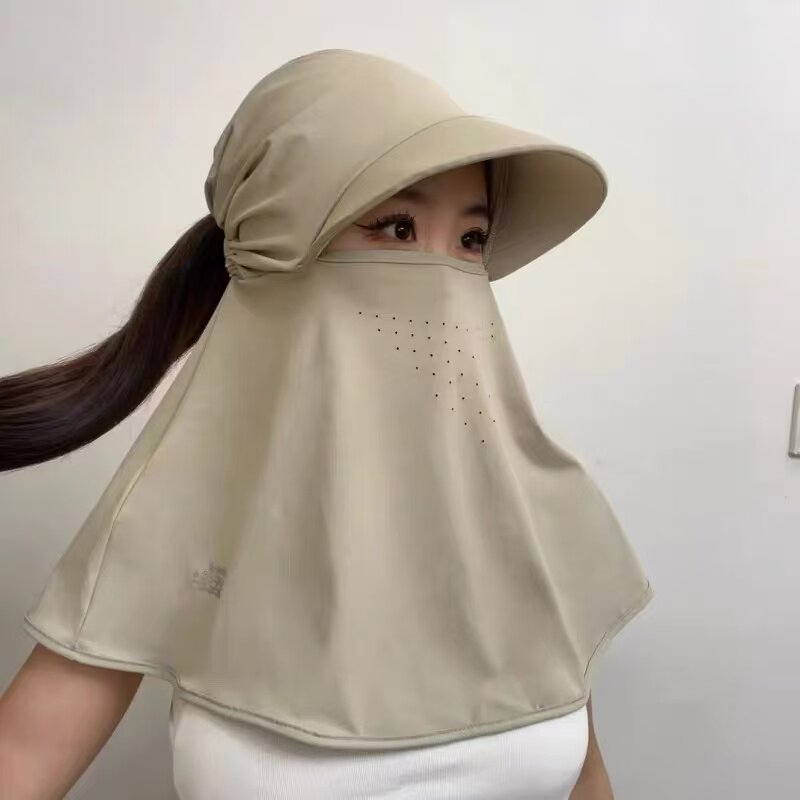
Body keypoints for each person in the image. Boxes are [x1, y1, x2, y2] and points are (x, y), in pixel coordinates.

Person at [0, 49, 653, 799]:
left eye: (471, 241)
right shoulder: (182, 518)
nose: (444, 279)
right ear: (273, 253)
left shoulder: (530, 517)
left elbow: (586, 781)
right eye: (396, 227)